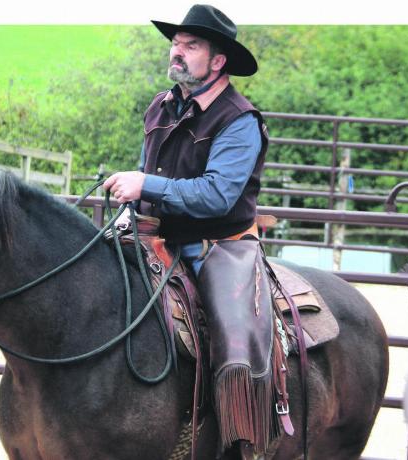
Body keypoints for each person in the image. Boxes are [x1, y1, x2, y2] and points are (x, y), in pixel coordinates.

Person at [104, 4, 279, 458]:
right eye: (176, 43)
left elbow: (218, 195)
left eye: (191, 45)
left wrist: (147, 184)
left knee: (234, 341)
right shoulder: (160, 107)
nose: (177, 52)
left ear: (218, 61)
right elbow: (148, 173)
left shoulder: (239, 120)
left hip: (218, 247)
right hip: (153, 237)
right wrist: (130, 208)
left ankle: (241, 439)